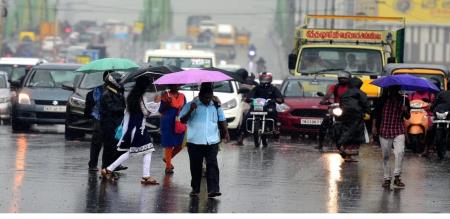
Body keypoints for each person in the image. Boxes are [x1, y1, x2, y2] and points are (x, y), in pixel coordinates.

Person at [101, 76, 158, 185]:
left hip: (132, 129)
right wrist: (157, 103)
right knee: (147, 151)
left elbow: (140, 109)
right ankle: (146, 176)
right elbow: (146, 113)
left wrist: (153, 104)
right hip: (139, 129)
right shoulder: (141, 97)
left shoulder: (132, 97)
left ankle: (108, 169)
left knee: (133, 152)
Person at [179, 84, 230, 198]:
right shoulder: (190, 105)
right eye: (205, 97)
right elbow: (182, 120)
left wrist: (226, 132)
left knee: (212, 164)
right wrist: (190, 110)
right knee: (195, 166)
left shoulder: (216, 106)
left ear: (212, 95)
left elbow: (222, 120)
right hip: (194, 141)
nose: (207, 100)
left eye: (209, 97)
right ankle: (195, 189)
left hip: (212, 141)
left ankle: (213, 190)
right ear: (200, 95)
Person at [372, 85, 410, 189]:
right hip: (384, 129)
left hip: (398, 129)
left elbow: (407, 116)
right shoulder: (382, 99)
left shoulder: (404, 100)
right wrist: (374, 127)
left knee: (400, 152)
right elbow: (375, 114)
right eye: (391, 89)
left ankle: (397, 177)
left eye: (395, 89)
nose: (393, 91)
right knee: (386, 156)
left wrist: (405, 110)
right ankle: (387, 179)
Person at [236, 72, 283, 146]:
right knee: (246, 118)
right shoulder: (256, 88)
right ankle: (241, 136)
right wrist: (247, 98)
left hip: (269, 107)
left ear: (270, 79)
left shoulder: (273, 88)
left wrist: (277, 99)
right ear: (260, 79)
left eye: (266, 79)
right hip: (256, 107)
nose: (265, 80)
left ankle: (276, 130)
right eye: (263, 79)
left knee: (274, 114)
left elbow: (280, 98)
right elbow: (250, 95)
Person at [337, 77, 370, 162]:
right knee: (355, 135)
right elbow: (366, 104)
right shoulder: (361, 93)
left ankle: (345, 150)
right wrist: (367, 112)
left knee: (347, 131)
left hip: (345, 116)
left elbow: (341, 105)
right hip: (357, 116)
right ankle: (345, 150)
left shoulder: (344, 94)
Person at [100, 72, 127, 173]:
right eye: (120, 81)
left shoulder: (117, 92)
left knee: (116, 147)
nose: (122, 83)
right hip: (109, 125)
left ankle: (112, 167)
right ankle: (105, 168)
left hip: (116, 124)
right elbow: (112, 108)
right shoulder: (107, 94)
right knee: (109, 148)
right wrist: (124, 109)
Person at [317, 71, 351, 151]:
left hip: (347, 109)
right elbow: (328, 95)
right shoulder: (334, 87)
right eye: (341, 78)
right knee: (324, 123)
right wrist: (323, 100)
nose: (342, 80)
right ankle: (320, 143)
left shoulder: (351, 88)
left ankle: (351, 144)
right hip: (336, 108)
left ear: (348, 79)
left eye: (344, 78)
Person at [84, 71, 109, 172]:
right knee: (97, 142)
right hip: (98, 118)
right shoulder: (97, 91)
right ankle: (93, 164)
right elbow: (90, 103)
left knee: (110, 143)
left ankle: (107, 166)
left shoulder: (118, 90)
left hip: (110, 120)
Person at [159, 84, 186, 174]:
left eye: (178, 85)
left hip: (179, 121)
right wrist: (167, 103)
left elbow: (185, 108)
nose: (176, 86)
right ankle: (168, 166)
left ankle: (167, 158)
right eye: (174, 85)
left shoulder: (182, 96)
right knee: (169, 144)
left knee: (180, 145)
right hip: (167, 121)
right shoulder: (165, 95)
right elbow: (161, 110)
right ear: (170, 86)